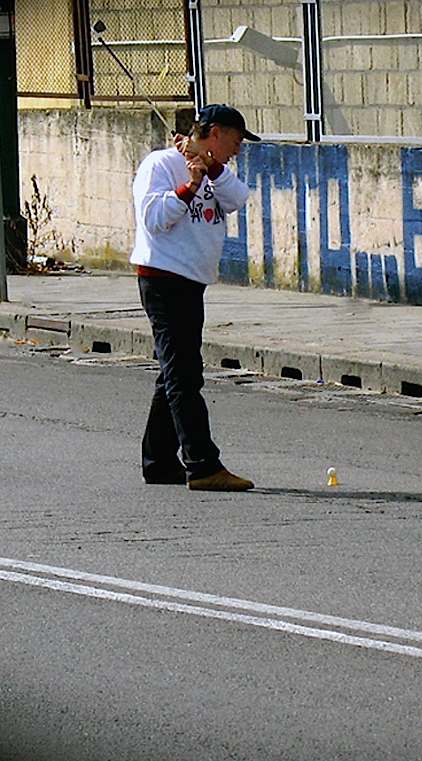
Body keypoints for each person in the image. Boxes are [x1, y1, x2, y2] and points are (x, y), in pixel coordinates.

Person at [130, 104, 261, 490]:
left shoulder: (218, 172)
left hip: (191, 281)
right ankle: (202, 464)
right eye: (234, 142)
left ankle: (158, 463)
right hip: (164, 279)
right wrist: (188, 185)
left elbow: (238, 197)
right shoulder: (160, 165)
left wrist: (211, 168)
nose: (236, 151)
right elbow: (154, 220)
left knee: (174, 372)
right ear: (216, 133)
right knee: (184, 376)